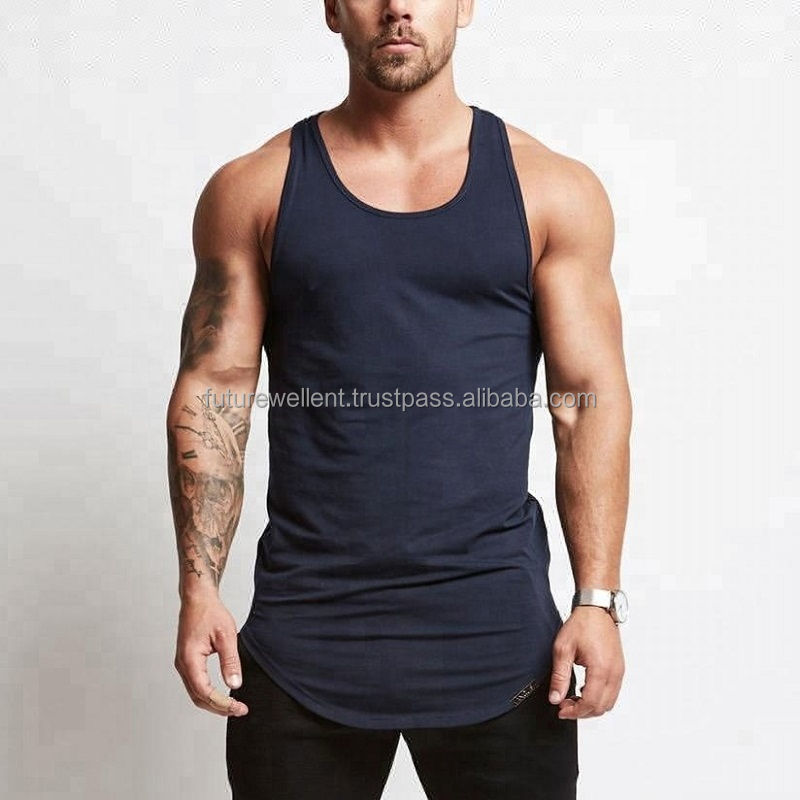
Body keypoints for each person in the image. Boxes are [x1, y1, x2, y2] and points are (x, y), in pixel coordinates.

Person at [167, 1, 631, 798]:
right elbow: (217, 387)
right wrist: (198, 589)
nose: (398, 8)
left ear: (465, 6)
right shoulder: (255, 189)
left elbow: (585, 399)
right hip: (304, 640)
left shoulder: (551, 189)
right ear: (332, 10)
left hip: (501, 642)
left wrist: (598, 600)